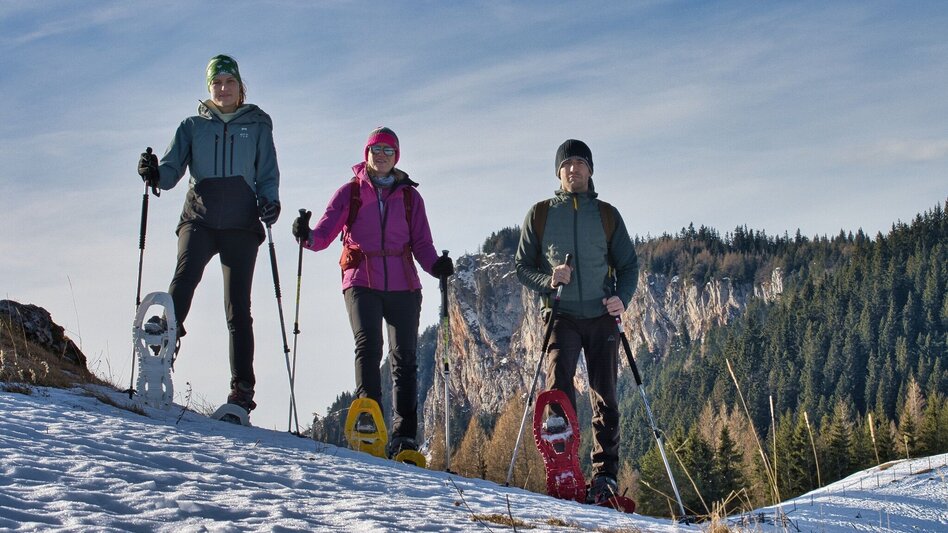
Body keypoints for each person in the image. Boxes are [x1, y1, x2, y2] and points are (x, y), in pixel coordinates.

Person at [292, 126, 453, 458]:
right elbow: (323, 233)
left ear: (396, 157)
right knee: (368, 344)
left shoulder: (410, 197)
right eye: (375, 150)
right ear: (365, 155)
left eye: (388, 151)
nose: (381, 156)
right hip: (361, 279)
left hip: (403, 284)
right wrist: (306, 236)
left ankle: (404, 437)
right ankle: (369, 421)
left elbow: (422, 242)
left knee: (405, 357)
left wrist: (435, 265)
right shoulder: (349, 193)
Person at [137, 54, 280, 420]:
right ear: (209, 87)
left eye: (229, 81)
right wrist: (154, 173)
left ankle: (241, 393)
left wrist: (271, 203)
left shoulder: (258, 124)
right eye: (216, 82)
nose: (223, 88)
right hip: (198, 218)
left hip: (241, 224)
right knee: (183, 279)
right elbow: (170, 171)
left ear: (240, 86)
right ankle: (160, 354)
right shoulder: (192, 126)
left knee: (237, 307)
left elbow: (267, 173)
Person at [515, 139, 638, 504]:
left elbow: (628, 265)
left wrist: (622, 298)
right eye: (567, 164)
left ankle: (605, 479)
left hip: (601, 315)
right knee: (558, 392)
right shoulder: (539, 214)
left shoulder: (606, 214)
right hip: (562, 315)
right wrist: (549, 279)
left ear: (590, 170)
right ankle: (564, 468)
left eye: (580, 163)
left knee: (606, 397)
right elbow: (522, 267)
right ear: (558, 172)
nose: (574, 169)